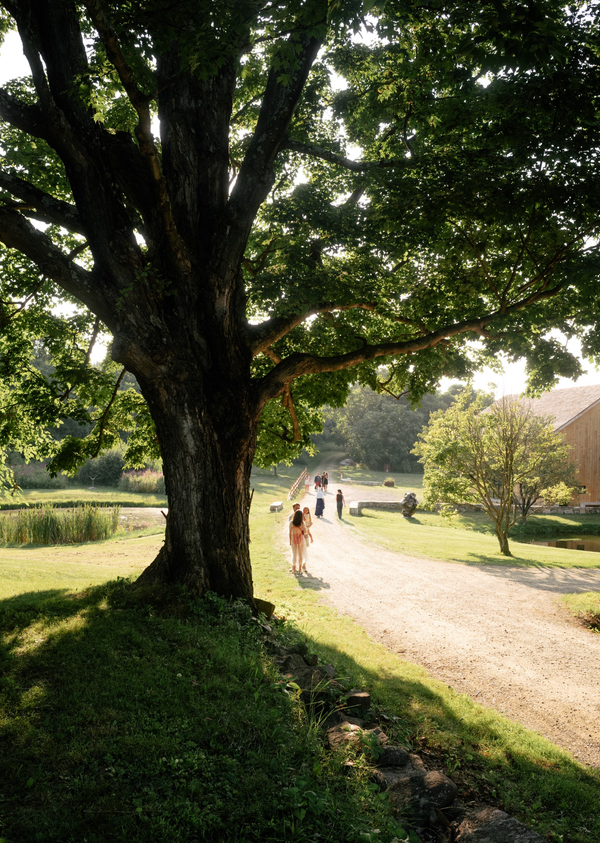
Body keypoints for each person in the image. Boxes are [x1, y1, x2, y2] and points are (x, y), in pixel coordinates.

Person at [289, 509, 306, 573]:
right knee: (300, 554)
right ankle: (300, 569)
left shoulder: (291, 522)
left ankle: (293, 568)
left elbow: (290, 533)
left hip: (293, 539)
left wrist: (290, 541)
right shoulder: (302, 523)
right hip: (301, 539)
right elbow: (305, 531)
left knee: (294, 554)